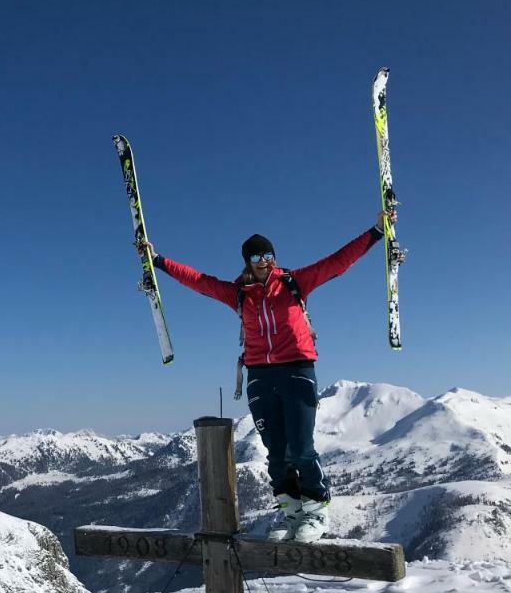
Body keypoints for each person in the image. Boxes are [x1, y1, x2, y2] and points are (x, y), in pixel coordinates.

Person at [139, 211, 394, 543]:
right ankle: (293, 515)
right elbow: (199, 281)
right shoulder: (240, 294)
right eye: (258, 256)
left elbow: (337, 262)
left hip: (297, 370)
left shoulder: (294, 282)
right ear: (248, 261)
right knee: (276, 450)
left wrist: (375, 231)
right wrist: (157, 260)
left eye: (269, 254)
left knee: (301, 447)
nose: (264, 261)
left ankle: (316, 513)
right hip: (259, 375)